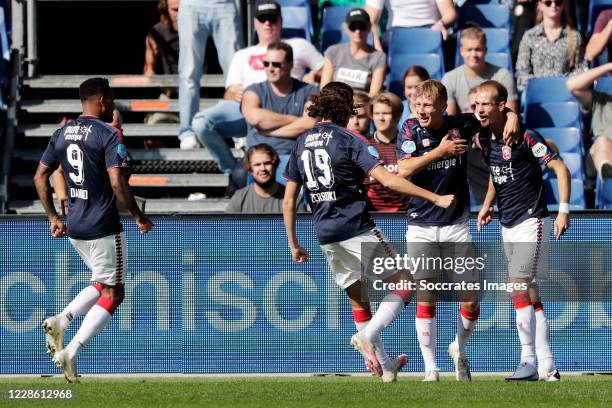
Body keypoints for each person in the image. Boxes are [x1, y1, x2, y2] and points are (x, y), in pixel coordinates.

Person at [283, 81, 455, 382]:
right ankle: (368, 336)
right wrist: (435, 197)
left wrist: (293, 243)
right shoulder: (349, 139)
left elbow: (288, 200)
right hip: (355, 226)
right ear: (345, 107)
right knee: (405, 284)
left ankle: (384, 366)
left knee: (358, 297)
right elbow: (388, 181)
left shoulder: (301, 141)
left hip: (324, 233)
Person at [396, 79, 520, 382]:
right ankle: (430, 368)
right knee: (426, 297)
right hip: (420, 226)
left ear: (442, 106)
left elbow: (497, 117)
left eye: (427, 105)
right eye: (417, 103)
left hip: (456, 226)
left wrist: (514, 115)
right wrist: (440, 152)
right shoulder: (410, 130)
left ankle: (458, 349)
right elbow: (403, 170)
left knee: (471, 298)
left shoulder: (462, 124)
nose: (421, 110)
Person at [33, 78, 154, 383]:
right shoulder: (107, 133)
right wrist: (139, 216)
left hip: (75, 226)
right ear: (102, 100)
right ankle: (71, 352)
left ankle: (62, 320)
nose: (112, 104)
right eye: (111, 99)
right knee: (115, 293)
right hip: (103, 225)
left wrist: (52, 217)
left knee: (101, 282)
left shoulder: (61, 133)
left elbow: (40, 177)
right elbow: (117, 182)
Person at [474, 80, 569, 382]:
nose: (479, 110)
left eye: (485, 104)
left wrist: (563, 211)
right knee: (529, 292)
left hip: (532, 219)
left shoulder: (527, 137)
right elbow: (495, 175)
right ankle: (548, 366)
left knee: (516, 285)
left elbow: (560, 169)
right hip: (507, 222)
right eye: (475, 105)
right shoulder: (484, 139)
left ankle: (527, 359)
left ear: (502, 105)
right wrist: (487, 205)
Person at [191, 1, 325, 189]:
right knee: (200, 123)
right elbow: (230, 92)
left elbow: (325, 67)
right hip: (248, 105)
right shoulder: (242, 54)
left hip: (289, 100)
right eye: (262, 19)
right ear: (255, 23)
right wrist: (234, 93)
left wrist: (314, 76)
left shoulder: (298, 45)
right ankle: (234, 170)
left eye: (272, 19)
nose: (267, 24)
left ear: (281, 21)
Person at [177, 0, 243, 149]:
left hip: (224, 5)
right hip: (191, 5)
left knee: (236, 73)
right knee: (188, 72)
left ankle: (239, 129)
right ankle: (187, 132)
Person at [241, 42, 318, 157]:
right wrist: (296, 120)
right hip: (259, 158)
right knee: (238, 174)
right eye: (266, 63)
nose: (270, 68)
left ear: (290, 65)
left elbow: (309, 124)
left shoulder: (310, 91)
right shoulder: (253, 91)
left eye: (276, 64)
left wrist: (271, 132)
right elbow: (255, 119)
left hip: (295, 158)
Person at [442, 27, 519, 115]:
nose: (473, 54)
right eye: (469, 50)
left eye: (478, 49)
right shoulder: (449, 79)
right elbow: (450, 118)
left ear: (485, 50)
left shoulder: (503, 76)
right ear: (462, 51)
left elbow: (511, 116)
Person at [515, 0, 587, 93]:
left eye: (558, 2)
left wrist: (561, 85)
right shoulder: (530, 36)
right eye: (548, 2)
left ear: (563, 5)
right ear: (540, 5)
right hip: (537, 94)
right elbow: (522, 72)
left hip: (565, 94)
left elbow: (581, 69)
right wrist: (540, 86)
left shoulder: (575, 37)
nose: (553, 5)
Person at [320, 8, 386, 96]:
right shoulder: (333, 52)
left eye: (362, 26)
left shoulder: (378, 57)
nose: (357, 31)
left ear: (369, 28)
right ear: (346, 28)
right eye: (353, 27)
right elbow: (324, 90)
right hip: (335, 105)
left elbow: (373, 95)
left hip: (362, 106)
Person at [226, 144, 305, 213]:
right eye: (257, 165)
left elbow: (303, 229)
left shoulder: (293, 198)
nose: (262, 168)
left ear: (275, 165)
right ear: (250, 169)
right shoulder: (239, 198)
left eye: (267, 163)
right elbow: (228, 228)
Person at [566, 63, 612, 178]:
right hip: (601, 154)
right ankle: (608, 175)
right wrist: (609, 66)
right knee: (602, 141)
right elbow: (572, 85)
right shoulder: (602, 101)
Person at [364, 92, 408, 212]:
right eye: (377, 113)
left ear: (397, 116)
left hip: (405, 214)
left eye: (386, 113)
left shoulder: (408, 146)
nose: (381, 118)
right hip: (372, 215)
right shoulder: (364, 146)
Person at [143, 0, 180, 127]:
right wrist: (162, 85)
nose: (180, 14)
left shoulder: (201, 31)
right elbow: (149, 71)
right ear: (165, 10)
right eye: (175, 10)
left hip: (199, 97)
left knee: (201, 134)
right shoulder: (156, 32)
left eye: (183, 10)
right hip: (170, 97)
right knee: (150, 132)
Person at [364, 0, 457, 50]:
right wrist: (377, 49)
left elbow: (450, 13)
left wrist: (441, 23)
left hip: (430, 29)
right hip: (396, 32)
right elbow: (369, 20)